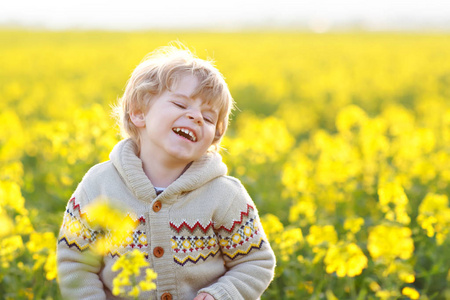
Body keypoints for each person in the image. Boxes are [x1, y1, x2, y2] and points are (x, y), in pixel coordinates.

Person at [57, 43, 276, 300]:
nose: (195, 117)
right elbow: (73, 260)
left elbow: (256, 262)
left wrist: (221, 295)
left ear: (214, 137)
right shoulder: (98, 185)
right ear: (139, 113)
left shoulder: (224, 194)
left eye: (208, 118)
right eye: (181, 105)